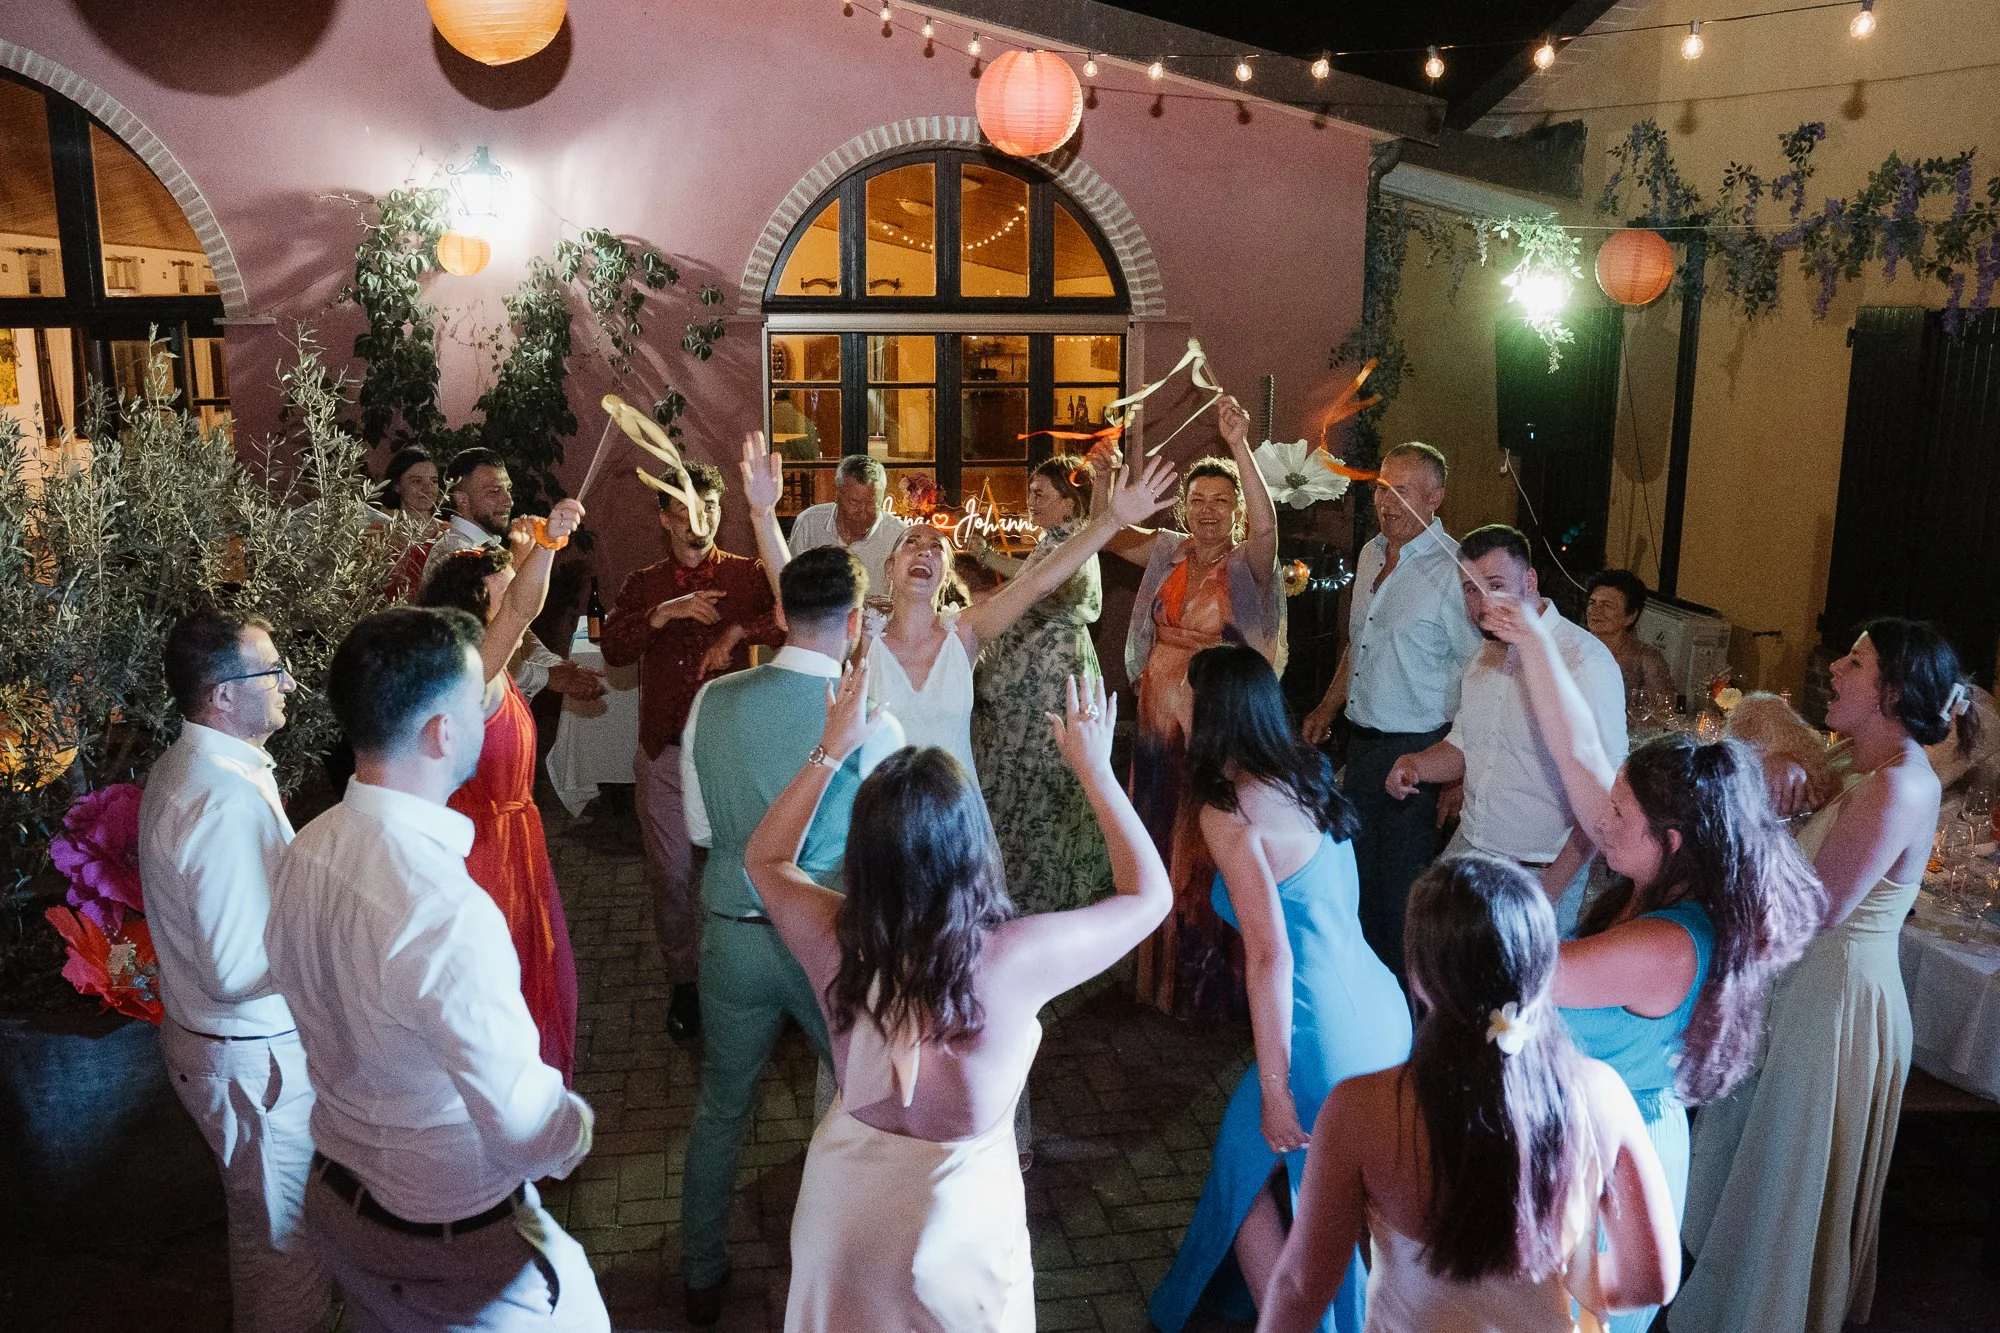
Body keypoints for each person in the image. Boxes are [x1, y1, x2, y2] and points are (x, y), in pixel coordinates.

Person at [746, 670, 1172, 1333]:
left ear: (865, 855)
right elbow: (1150, 896)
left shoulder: (832, 937)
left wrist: (831, 748)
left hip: (846, 1218)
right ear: (971, 848)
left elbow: (766, 859)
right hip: (961, 1227)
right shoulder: (1014, 961)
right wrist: (1096, 771)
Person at [1480, 591, 1826, 1333]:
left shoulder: (1666, 942)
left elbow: (1518, 969)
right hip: (1588, 1136)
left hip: (1609, 1169)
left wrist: (1479, 895)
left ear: (1672, 841)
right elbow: (1578, 751)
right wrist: (1536, 638)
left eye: (1619, 816)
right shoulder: (1659, 874)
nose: (1601, 820)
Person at [267, 607, 606, 1332]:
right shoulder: (445, 909)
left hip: (338, 1195)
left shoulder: (308, 846)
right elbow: (521, 1122)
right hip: (450, 1239)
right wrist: (573, 1124)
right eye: (476, 699)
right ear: (442, 731)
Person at [1675, 619, 1976, 1333]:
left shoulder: (1900, 785)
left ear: (1892, 692)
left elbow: (1812, 908)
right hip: (1804, 988)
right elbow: (1787, 781)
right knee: (1754, 1163)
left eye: (1856, 661)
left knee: (1786, 1175)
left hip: (1834, 1002)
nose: (1834, 669)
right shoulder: (1856, 761)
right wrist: (1775, 773)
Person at [1258, 854, 1681, 1333]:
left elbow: (1302, 1286)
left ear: (1421, 978)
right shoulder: (1601, 1096)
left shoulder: (1361, 1111)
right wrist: (1573, 1282)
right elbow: (1652, 1281)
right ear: (1542, 968)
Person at [1148, 645, 1412, 1333]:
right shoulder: (1306, 771)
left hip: (1316, 1030)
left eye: (1186, 688)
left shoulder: (1229, 810)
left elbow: (1270, 955)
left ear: (1214, 713)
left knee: (1251, 1177)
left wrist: (1273, 1085)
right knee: (1331, 1194)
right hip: (1379, 1008)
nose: (1174, 693)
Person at [674, 547, 905, 1325]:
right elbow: (891, 856)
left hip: (731, 933)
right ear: (852, 619)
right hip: (829, 942)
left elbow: (703, 828)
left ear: (781, 615)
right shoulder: (875, 718)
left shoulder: (715, 700)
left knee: (720, 1106)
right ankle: (848, 1272)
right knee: (862, 1104)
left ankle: (700, 1271)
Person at [741, 433, 1176, 785]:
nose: (924, 550)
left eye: (936, 547)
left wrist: (1112, 520)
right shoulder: (862, 637)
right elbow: (796, 597)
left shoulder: (965, 632)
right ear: (890, 567)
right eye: (911, 541)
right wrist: (762, 514)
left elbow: (1041, 580)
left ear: (945, 573)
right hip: (880, 821)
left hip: (957, 819)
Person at [139, 609, 331, 1333]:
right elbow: (236, 965)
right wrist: (330, 934)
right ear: (221, 694)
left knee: (264, 1237)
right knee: (288, 1251)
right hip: (255, 1067)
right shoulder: (219, 798)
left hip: (236, 1056)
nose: (289, 681)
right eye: (271, 670)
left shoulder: (200, 766)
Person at [1098, 395, 1282, 1019]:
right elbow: (1111, 532)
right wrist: (1102, 478)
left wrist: (1240, 450)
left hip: (1218, 721)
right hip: (1156, 718)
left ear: (1232, 510)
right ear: (1183, 508)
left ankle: (1209, 984)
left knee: (1208, 840)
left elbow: (1268, 530)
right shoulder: (1164, 553)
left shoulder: (1247, 565)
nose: (1208, 512)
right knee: (1157, 828)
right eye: (1197, 501)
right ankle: (1158, 978)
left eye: (1220, 501)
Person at [600, 461, 784, 1045]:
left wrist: (736, 634)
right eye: (684, 509)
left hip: (735, 757)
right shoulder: (645, 582)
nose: (697, 521)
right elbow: (612, 647)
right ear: (665, 518)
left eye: (708, 508)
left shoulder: (749, 575)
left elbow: (788, 619)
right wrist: (664, 614)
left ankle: (762, 982)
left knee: (754, 873)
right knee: (673, 878)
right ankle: (685, 981)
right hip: (665, 755)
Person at [418, 498, 589, 1084]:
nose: (516, 603)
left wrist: (527, 555)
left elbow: (517, 606)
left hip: (518, 842)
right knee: (510, 987)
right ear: (476, 610)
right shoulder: (472, 676)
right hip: (486, 858)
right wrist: (548, 546)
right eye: (503, 592)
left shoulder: (497, 671)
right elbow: (520, 609)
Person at [1386, 525, 1626, 937]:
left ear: (1530, 580)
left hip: (1540, 868)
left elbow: (1608, 791)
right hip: (1472, 847)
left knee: (1514, 999)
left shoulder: (1585, 661)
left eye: (1495, 586)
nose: (1482, 604)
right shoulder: (1482, 655)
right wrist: (1415, 764)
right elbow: (1464, 744)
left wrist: (1552, 888)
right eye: (1470, 589)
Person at [1300, 442, 1481, 978]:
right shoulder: (1372, 553)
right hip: (1364, 745)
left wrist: (1459, 772)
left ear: (1435, 497)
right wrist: (1329, 706)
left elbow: (1482, 676)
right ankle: (1360, 996)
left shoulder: (1454, 571)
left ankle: (1406, 1017)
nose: (1387, 501)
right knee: (1355, 877)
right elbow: (1361, 643)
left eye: (1402, 490)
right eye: (1382, 487)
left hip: (1420, 752)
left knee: (1402, 894)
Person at [964, 455, 1116, 914]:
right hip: (1034, 670)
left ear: (1069, 504)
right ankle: (1016, 875)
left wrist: (981, 586)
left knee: (1040, 768)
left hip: (1050, 674)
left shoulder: (1073, 540)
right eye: (1030, 491)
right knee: (1018, 770)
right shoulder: (1058, 537)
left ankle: (1040, 884)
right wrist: (987, 558)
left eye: (1040, 493)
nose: (1030, 499)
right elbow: (1031, 580)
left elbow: (1040, 587)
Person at [423, 447, 605, 703]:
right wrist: (550, 677)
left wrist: (555, 664)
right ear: (461, 500)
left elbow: (516, 623)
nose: (507, 500)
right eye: (493, 491)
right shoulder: (453, 557)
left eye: (507, 489)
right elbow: (483, 650)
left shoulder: (490, 548)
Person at [784, 453, 908, 595]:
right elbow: (789, 584)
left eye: (872, 504)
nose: (862, 512)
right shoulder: (809, 523)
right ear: (837, 495)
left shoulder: (899, 535)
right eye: (854, 502)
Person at [1584, 570, 1675, 704]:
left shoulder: (1647, 660)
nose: (1595, 611)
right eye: (1592, 603)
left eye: (1607, 605)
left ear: (1630, 616)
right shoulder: (1573, 647)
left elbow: (1664, 711)